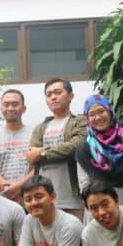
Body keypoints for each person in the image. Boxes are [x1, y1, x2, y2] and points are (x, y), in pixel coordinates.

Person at [27, 78, 87, 222]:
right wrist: (57, 151)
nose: (53, 97)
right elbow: (31, 156)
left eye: (58, 92)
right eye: (49, 94)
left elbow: (76, 146)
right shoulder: (40, 127)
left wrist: (42, 152)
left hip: (72, 198)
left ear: (70, 96)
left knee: (76, 239)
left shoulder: (80, 121)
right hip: (43, 199)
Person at [76, 94, 123, 208]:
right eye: (92, 114)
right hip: (101, 208)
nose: (97, 117)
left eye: (101, 111)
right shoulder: (85, 147)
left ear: (110, 111)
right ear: (87, 118)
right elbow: (84, 185)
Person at [0, 89, 33, 202]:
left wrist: (20, 186)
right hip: (1, 199)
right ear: (1, 108)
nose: (10, 108)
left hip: (29, 197)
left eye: (15, 104)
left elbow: (39, 167)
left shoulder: (34, 133)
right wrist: (6, 187)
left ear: (24, 108)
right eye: (6, 104)